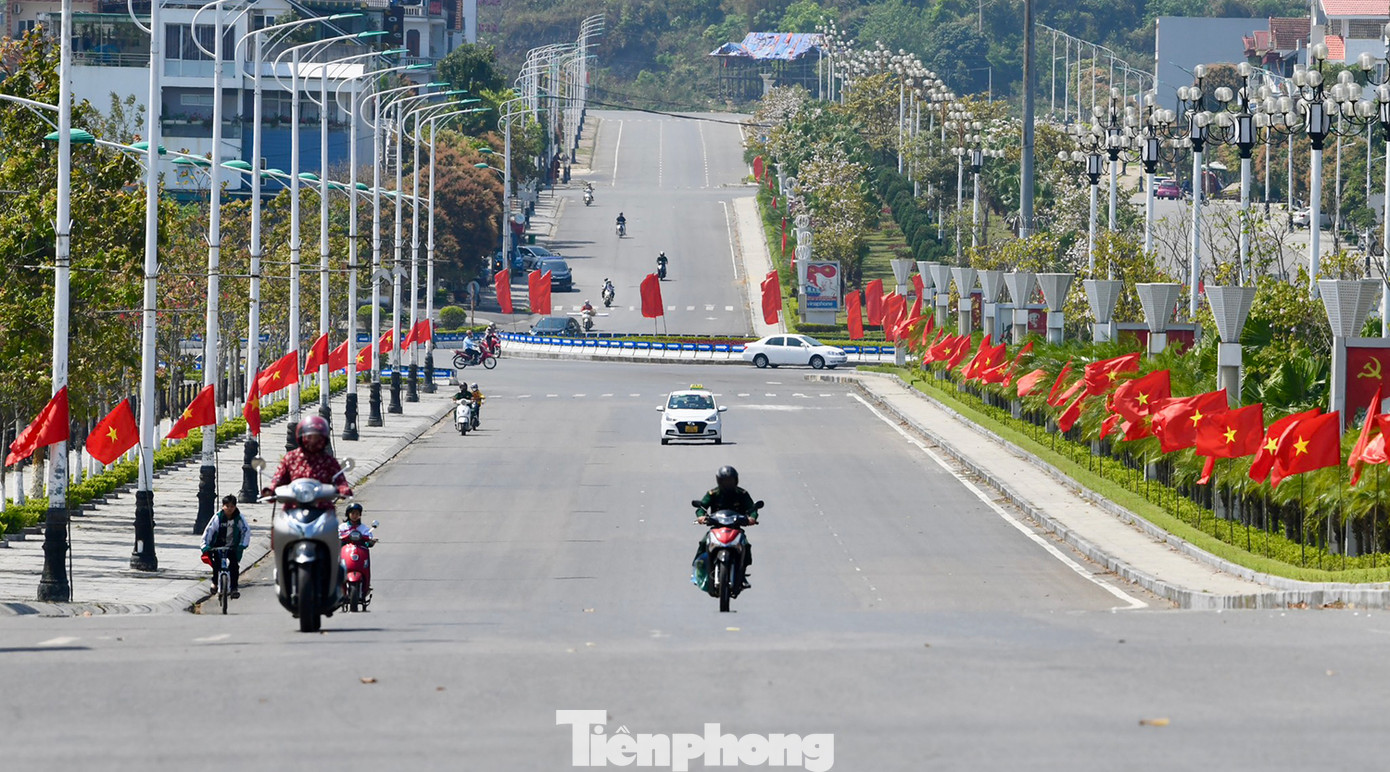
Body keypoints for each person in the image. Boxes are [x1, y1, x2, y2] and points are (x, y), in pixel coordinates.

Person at [263, 415, 353, 511]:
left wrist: (343, 489)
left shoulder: (329, 461)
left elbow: (340, 480)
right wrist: (270, 491)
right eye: (309, 437)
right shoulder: (291, 458)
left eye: (317, 437)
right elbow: (278, 478)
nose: (313, 441)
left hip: (322, 510)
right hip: (293, 510)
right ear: (302, 437)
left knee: (332, 520)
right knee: (279, 520)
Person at [693, 465, 758, 588]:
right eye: (725, 481)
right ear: (719, 481)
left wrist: (752, 518)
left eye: (730, 480)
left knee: (746, 545)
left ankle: (742, 574)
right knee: (703, 543)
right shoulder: (713, 494)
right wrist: (701, 516)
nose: (727, 483)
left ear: (736, 480)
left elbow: (752, 508)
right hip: (717, 528)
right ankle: (698, 571)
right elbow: (701, 507)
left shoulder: (742, 494)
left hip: (735, 528)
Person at [202, 495, 251, 597]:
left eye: (232, 506)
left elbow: (245, 530)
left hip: (232, 547)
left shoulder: (238, 518)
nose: (229, 509)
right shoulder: (218, 517)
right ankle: (215, 583)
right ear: (223, 506)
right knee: (217, 565)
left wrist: (242, 544)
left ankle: (234, 588)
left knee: (234, 566)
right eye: (227, 506)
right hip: (217, 546)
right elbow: (209, 531)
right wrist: (205, 545)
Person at [338, 502, 377, 595]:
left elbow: (369, 537)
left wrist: (371, 541)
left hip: (360, 551)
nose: (354, 516)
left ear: (360, 515)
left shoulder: (364, 528)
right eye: (352, 513)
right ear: (348, 514)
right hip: (345, 551)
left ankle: (366, 585)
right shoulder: (342, 527)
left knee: (365, 565)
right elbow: (337, 536)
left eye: (357, 513)